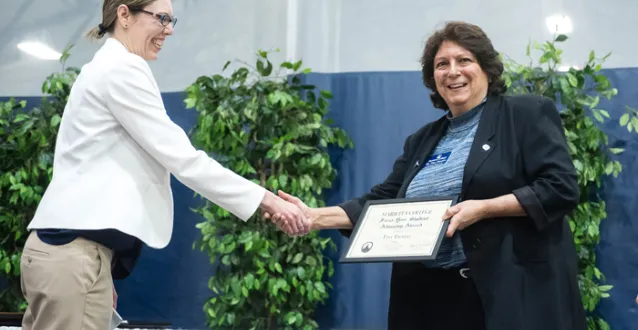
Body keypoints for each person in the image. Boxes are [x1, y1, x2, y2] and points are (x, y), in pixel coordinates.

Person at [267, 21, 586, 330]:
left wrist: (484, 208)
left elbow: (560, 188)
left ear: (486, 68)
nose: (453, 71)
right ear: (433, 78)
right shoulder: (422, 140)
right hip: (431, 300)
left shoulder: (525, 114)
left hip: (508, 297)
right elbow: (382, 202)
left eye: (464, 60)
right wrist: (312, 217)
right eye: (441, 64)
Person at [19, 0, 308, 329]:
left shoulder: (103, 68)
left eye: (172, 20)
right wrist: (266, 199)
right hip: (72, 258)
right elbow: (182, 158)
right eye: (161, 18)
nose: (169, 29)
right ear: (124, 14)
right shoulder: (122, 68)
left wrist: (99, 271)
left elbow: (87, 169)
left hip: (63, 254)